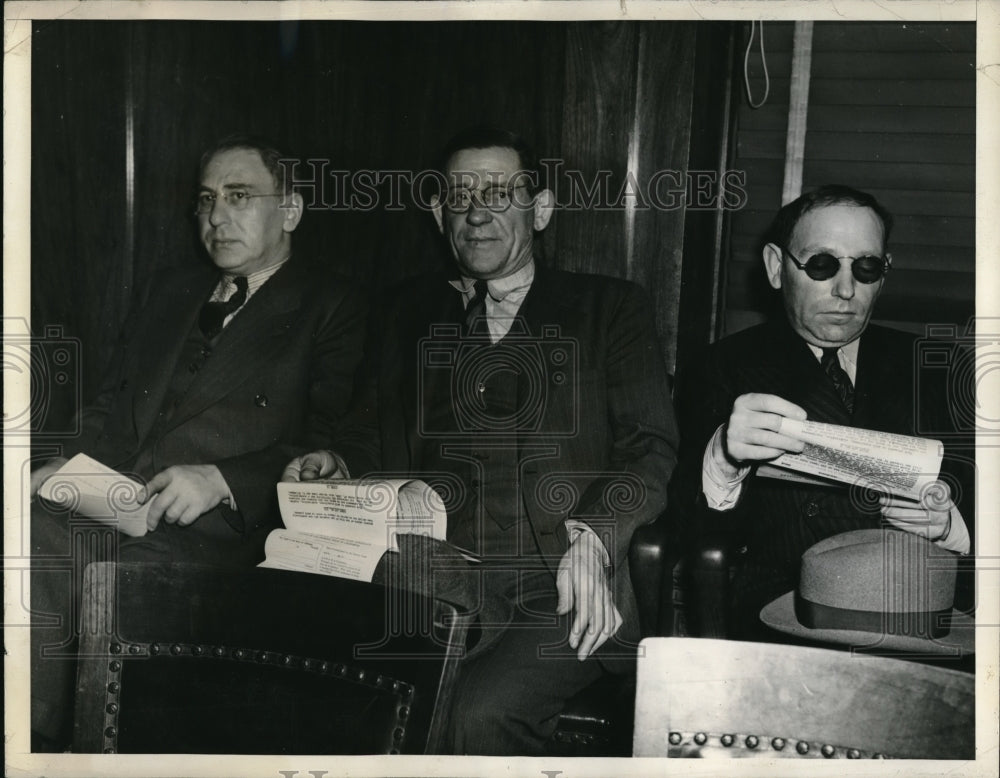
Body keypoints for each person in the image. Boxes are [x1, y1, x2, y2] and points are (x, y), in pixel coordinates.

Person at [284, 126, 679, 755]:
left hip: (560, 586)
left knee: (474, 715)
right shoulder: (404, 313)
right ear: (439, 214)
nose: (476, 211)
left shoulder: (609, 309)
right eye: (459, 194)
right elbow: (368, 430)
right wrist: (337, 460)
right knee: (339, 694)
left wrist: (594, 538)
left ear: (540, 210)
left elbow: (650, 449)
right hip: (432, 578)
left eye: (500, 191)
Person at [28, 135, 367, 750]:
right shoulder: (171, 289)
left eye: (240, 197)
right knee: (22, 528)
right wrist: (57, 464)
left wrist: (224, 480)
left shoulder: (333, 304)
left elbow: (333, 444)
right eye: (207, 199)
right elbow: (111, 401)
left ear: (290, 210)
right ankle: (30, 741)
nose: (216, 217)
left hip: (216, 540)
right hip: (111, 503)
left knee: (100, 580)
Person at [674, 184, 973, 640]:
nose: (846, 289)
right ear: (777, 268)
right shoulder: (722, 367)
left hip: (925, 609)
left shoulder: (939, 366)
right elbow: (684, 524)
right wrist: (723, 459)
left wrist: (952, 526)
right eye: (821, 264)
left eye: (867, 267)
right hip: (790, 612)